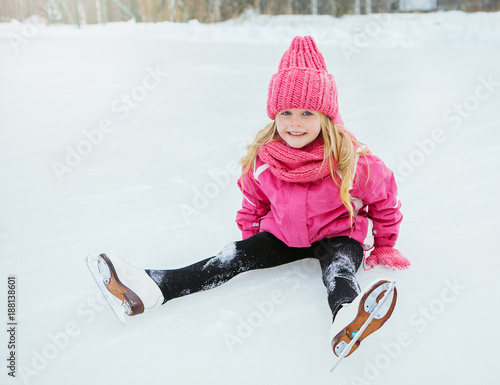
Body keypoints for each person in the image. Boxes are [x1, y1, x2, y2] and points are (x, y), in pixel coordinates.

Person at [91, 36, 410, 359]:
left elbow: (385, 200)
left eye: (307, 113)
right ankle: (154, 286)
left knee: (339, 270)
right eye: (285, 112)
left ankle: (347, 316)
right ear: (274, 115)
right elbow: (253, 202)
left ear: (326, 116)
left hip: (337, 236)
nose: (295, 123)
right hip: (283, 236)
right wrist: (250, 242)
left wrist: (385, 244)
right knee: (229, 257)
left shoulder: (352, 160)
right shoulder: (264, 159)